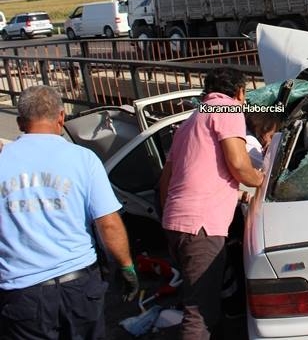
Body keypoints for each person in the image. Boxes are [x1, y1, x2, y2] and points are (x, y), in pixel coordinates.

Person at [0, 85, 139, 339]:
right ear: (61, 117)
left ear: (20, 122)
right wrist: (126, 267)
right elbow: (108, 223)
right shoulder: (83, 159)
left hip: (22, 293)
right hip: (80, 288)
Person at [159, 67, 266, 339]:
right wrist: (262, 180)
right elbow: (240, 166)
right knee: (199, 314)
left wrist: (237, 196)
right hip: (202, 226)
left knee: (201, 302)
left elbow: (166, 183)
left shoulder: (190, 122)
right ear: (240, 92)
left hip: (177, 222)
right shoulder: (227, 109)